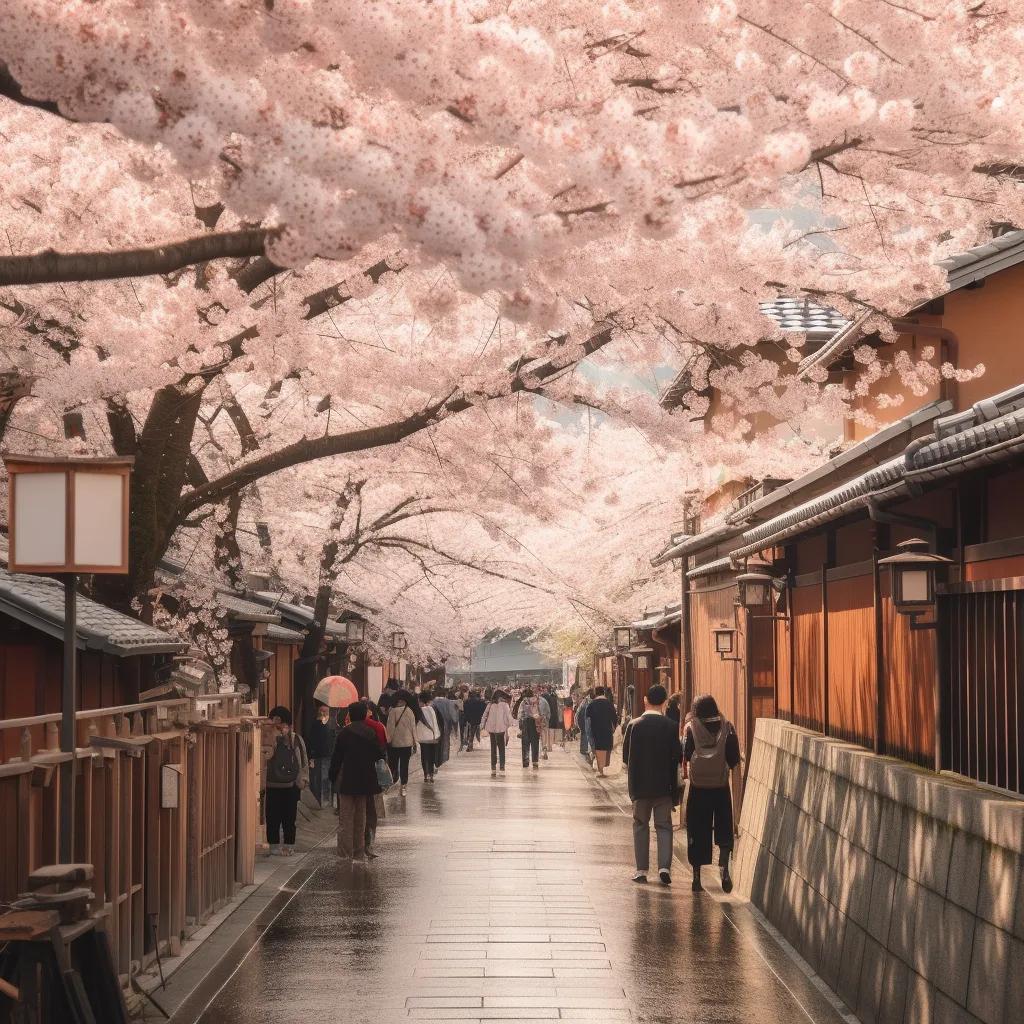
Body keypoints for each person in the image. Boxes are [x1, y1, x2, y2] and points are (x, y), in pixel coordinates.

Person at [621, 685, 683, 885]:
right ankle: (664, 867)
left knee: (640, 825)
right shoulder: (671, 726)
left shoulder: (634, 725)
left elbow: (625, 758)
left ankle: (641, 870)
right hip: (663, 785)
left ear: (645, 700)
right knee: (664, 825)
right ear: (665, 702)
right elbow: (677, 757)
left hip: (640, 785)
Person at [683, 694, 742, 893]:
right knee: (724, 826)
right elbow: (734, 760)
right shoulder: (727, 727)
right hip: (720, 787)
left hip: (698, 789)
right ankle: (724, 868)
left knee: (697, 829)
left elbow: (686, 755)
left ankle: (697, 877)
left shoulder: (691, 728)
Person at [329, 701, 386, 864]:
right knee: (361, 818)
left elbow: (336, 758)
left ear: (351, 715)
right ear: (363, 714)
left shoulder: (344, 734)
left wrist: (332, 776)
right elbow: (379, 755)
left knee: (345, 818)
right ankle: (358, 853)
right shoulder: (370, 733)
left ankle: (344, 853)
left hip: (347, 780)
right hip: (366, 782)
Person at [263, 706, 309, 856]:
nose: (278, 726)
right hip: (273, 783)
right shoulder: (268, 736)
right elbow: (264, 758)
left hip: (288, 784)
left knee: (286, 816)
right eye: (274, 721)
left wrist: (303, 778)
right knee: (275, 816)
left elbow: (302, 760)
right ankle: (277, 845)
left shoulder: (294, 738)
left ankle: (286, 844)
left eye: (280, 723)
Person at [385, 693, 418, 795]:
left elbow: (390, 728)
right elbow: (413, 728)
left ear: (400, 701)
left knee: (393, 763)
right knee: (405, 764)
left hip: (395, 743)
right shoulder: (410, 711)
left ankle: (392, 782)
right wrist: (415, 741)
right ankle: (403, 785)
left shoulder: (393, 711)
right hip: (407, 743)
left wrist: (388, 740)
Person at [306, 702, 337, 807]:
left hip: (328, 755)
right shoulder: (317, 725)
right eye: (323, 712)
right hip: (319, 755)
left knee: (326, 778)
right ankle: (321, 801)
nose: (325, 714)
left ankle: (325, 801)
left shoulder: (329, 724)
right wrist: (311, 756)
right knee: (320, 779)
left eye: (326, 712)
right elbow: (312, 740)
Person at [479, 690, 514, 775]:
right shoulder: (505, 705)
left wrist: (482, 726)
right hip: (501, 729)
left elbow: (484, 716)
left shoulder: (490, 705)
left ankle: (493, 767)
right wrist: (509, 725)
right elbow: (509, 717)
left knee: (493, 748)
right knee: (501, 749)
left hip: (491, 729)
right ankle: (502, 767)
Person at [585, 687, 618, 777]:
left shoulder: (591, 705)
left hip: (596, 731)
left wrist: (589, 734)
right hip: (607, 732)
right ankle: (605, 769)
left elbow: (588, 721)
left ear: (596, 693)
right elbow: (615, 718)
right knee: (607, 749)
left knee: (599, 750)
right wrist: (613, 728)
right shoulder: (609, 704)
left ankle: (601, 770)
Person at [517, 686, 545, 769]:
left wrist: (520, 725)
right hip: (535, 723)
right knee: (535, 743)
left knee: (525, 744)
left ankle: (526, 762)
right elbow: (541, 712)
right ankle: (535, 762)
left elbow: (520, 714)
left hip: (526, 723)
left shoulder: (523, 702)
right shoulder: (536, 701)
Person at [417, 692, 441, 782]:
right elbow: (435, 723)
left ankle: (425, 775)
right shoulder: (432, 709)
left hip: (423, 738)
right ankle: (431, 775)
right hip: (433, 737)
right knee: (431, 756)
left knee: (424, 756)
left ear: (422, 701)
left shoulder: (420, 710)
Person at [576, 690, 593, 762]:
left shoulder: (583, 702)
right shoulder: (589, 701)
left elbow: (577, 713)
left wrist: (577, 724)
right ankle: (586, 751)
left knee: (584, 733)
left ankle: (583, 750)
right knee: (586, 734)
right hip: (586, 718)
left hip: (582, 719)